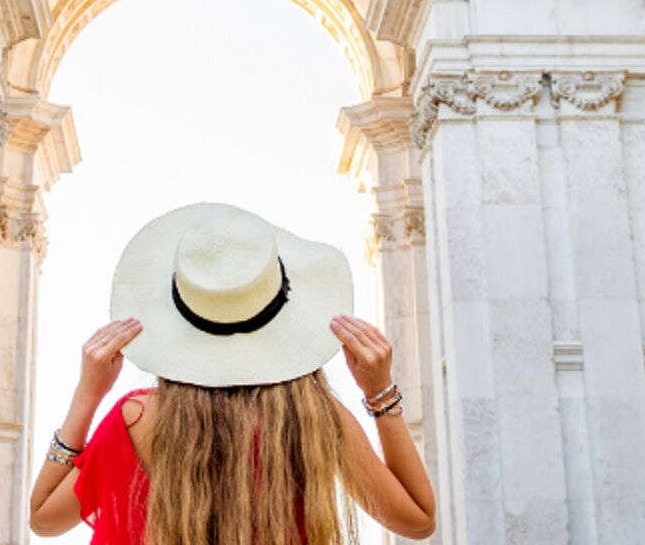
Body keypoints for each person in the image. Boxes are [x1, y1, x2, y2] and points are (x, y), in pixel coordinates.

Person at [27, 203, 438, 544]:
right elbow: (418, 521)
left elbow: (43, 519)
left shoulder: (135, 419)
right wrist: (381, 396)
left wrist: (87, 394)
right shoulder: (315, 418)